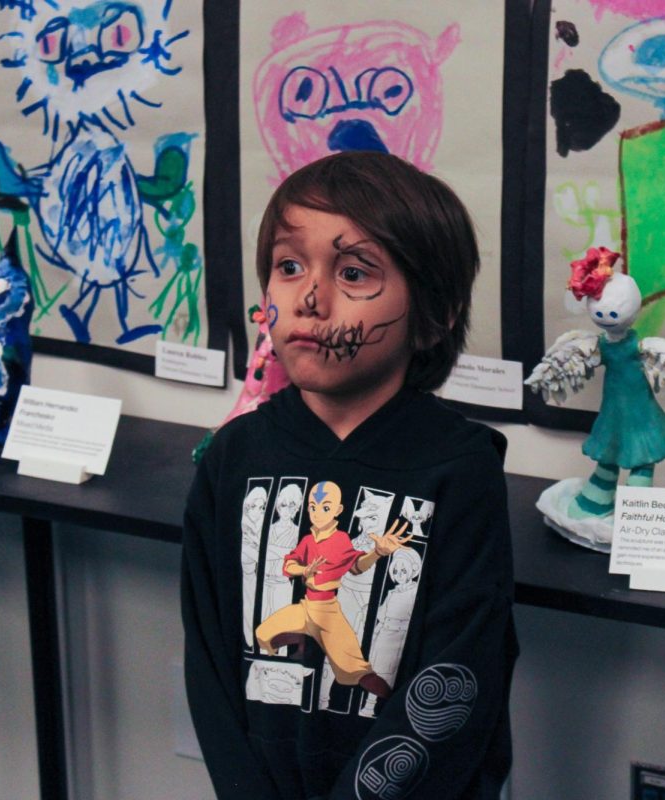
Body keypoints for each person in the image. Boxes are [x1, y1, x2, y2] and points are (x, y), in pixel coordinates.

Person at [182, 151, 517, 800]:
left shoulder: (461, 467)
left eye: (354, 272)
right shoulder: (233, 456)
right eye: (288, 266)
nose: (309, 297)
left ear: (435, 312)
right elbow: (209, 659)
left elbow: (458, 676)